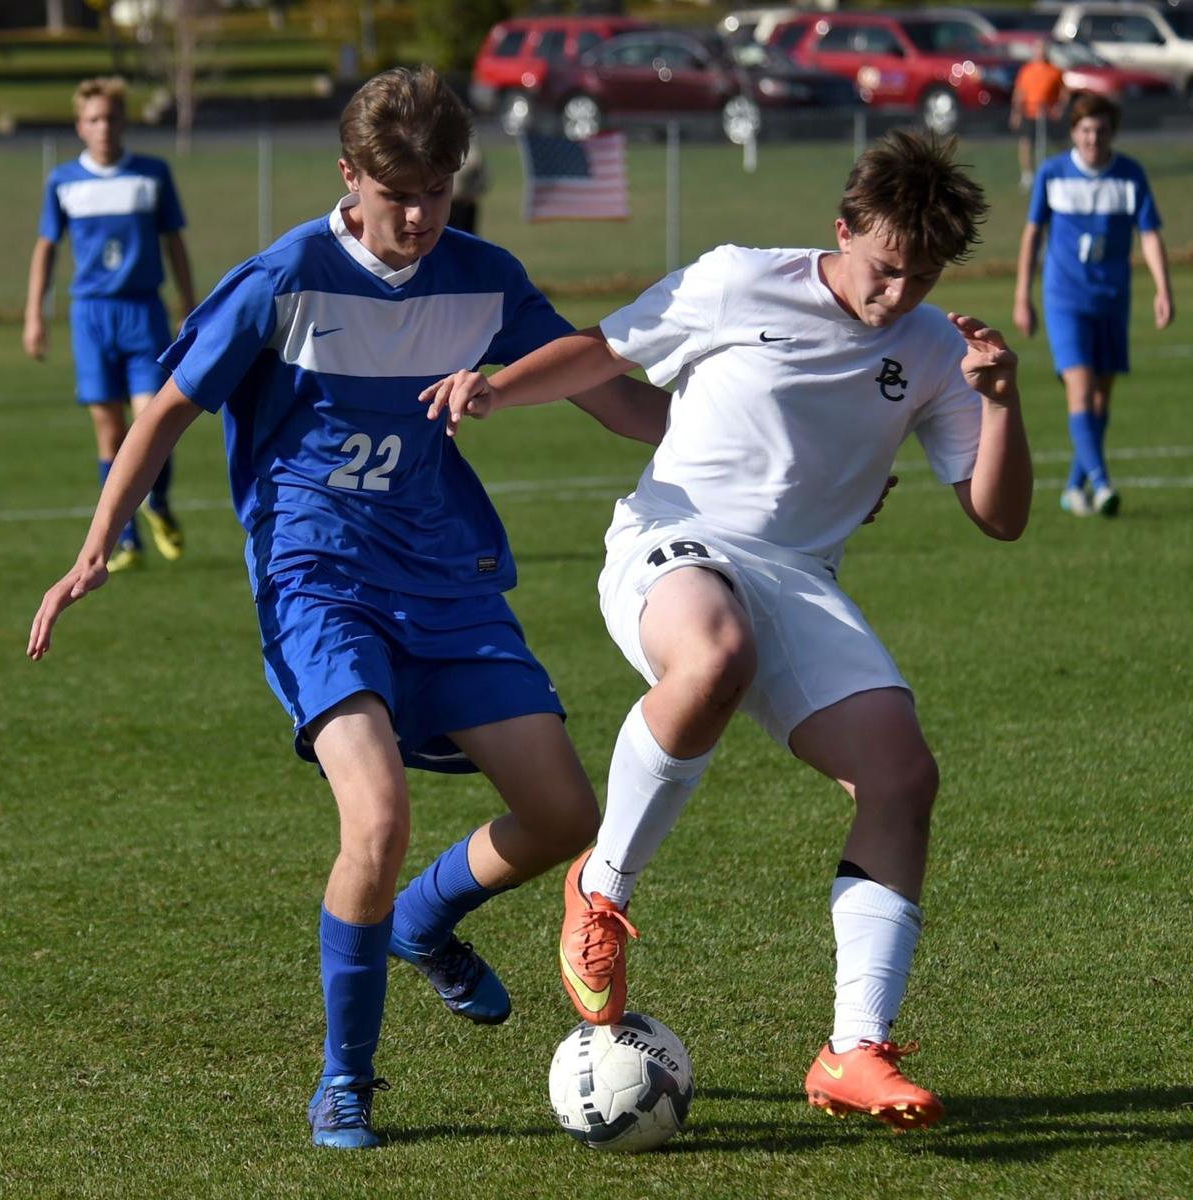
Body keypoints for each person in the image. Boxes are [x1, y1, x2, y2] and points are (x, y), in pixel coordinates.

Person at [28, 66, 669, 1151]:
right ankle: (346, 1081)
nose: (418, 215)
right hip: (317, 578)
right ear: (350, 177)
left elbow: (613, 397)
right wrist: (97, 546)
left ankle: (424, 921)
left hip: (447, 582)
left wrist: (765, 454)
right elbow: (169, 406)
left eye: (436, 190)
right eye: (396, 191)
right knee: (374, 818)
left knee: (566, 817)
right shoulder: (287, 277)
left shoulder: (481, 277)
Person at [422, 128, 1034, 1132]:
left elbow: (999, 515)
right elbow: (605, 351)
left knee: (901, 778)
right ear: (841, 231)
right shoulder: (734, 283)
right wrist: (499, 384)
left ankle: (853, 1050)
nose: (896, 295)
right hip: (674, 541)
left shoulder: (932, 352)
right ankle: (601, 893)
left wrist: (1000, 403)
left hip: (798, 580)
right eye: (884, 269)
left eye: (920, 278)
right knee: (715, 656)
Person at [23, 76, 196, 573]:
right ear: (80, 126)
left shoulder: (152, 175)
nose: (103, 127)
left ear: (123, 121)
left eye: (111, 118)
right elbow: (45, 250)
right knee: (109, 432)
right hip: (91, 316)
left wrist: (189, 302)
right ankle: (128, 542)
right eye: (93, 119)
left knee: (153, 421)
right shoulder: (63, 182)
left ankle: (158, 504)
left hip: (144, 311)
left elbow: (175, 242)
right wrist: (36, 315)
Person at [1013, 92, 1174, 518]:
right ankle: (1102, 484)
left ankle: (1073, 487)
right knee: (1080, 389)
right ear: (1073, 133)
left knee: (1101, 400)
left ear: (1112, 133)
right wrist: (1022, 297)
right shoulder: (1052, 174)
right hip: (1065, 300)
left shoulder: (1130, 176)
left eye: (1101, 131)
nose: (1092, 139)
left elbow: (1151, 235)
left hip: (1113, 300)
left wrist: (1163, 289)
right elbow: (1032, 236)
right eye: (1085, 130)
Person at [1009, 40, 1068, 191]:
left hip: (1048, 115)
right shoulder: (1027, 70)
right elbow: (1019, 92)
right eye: (1038, 49)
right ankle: (1028, 176)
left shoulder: (1055, 70)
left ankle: (1065, 171)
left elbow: (1064, 92)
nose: (1040, 52)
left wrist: (1059, 108)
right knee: (1026, 144)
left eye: (1043, 49)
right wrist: (1016, 112)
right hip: (1030, 112)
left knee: (1060, 144)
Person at [448, 127, 488, 235]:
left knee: (467, 236)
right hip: (451, 203)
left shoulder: (471, 151)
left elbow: (482, 176)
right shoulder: (444, 149)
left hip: (466, 203)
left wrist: (476, 191)